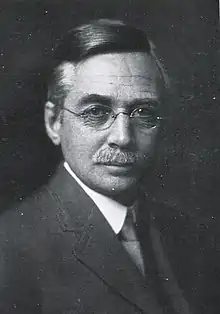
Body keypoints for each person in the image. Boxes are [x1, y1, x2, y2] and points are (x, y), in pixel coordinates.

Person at [0, 19, 218, 314]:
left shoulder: (194, 235)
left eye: (143, 112)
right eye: (96, 112)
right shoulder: (9, 247)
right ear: (54, 122)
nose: (123, 138)